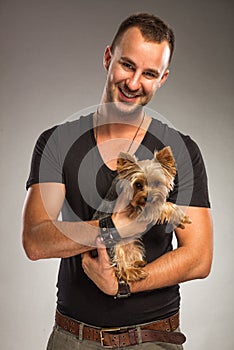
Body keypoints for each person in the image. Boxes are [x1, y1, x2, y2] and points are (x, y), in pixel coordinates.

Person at [22, 13, 213, 349]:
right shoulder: (57, 142)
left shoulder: (179, 150)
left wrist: (123, 286)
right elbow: (36, 241)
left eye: (149, 73)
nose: (134, 82)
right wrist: (113, 225)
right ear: (109, 58)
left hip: (153, 338)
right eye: (127, 65)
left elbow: (199, 257)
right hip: (73, 337)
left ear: (162, 79)